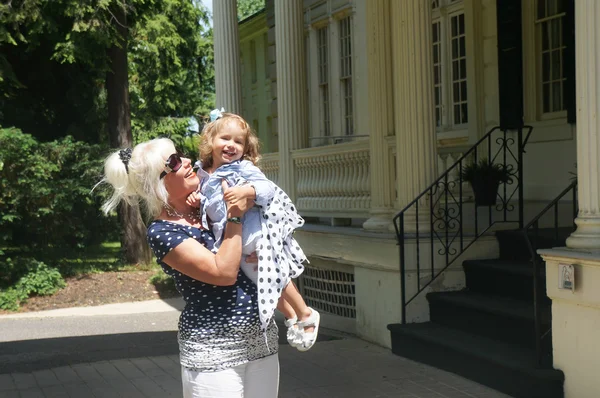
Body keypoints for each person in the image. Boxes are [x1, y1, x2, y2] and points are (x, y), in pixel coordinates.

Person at [98, 137, 279, 398]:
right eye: (172, 162)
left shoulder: (208, 204)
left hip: (262, 340)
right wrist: (235, 215)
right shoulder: (163, 232)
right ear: (156, 183)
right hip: (214, 351)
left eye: (180, 154)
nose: (185, 161)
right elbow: (223, 274)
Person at [187, 108, 320, 352]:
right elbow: (204, 201)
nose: (231, 145)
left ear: (246, 148)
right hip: (229, 241)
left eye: (238, 141)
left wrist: (247, 191)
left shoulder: (243, 169)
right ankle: (290, 316)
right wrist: (195, 199)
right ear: (210, 141)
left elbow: (268, 189)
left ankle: (306, 313)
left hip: (255, 235)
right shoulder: (202, 174)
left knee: (275, 276)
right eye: (225, 139)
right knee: (262, 282)